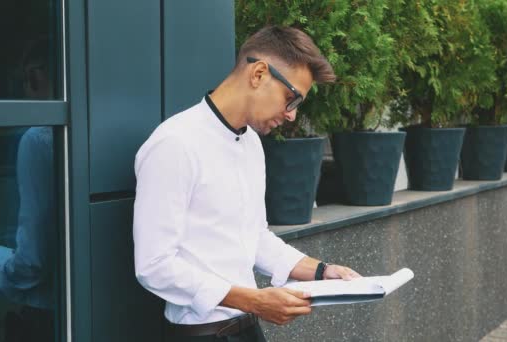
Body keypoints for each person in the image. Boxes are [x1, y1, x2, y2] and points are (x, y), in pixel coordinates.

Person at [133, 26, 361, 342]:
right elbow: (154, 266)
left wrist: (322, 271)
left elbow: (254, 237)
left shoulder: (251, 144)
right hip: (201, 334)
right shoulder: (174, 144)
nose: (292, 115)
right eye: (291, 99)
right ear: (258, 74)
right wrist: (254, 300)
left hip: (248, 328)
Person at [0, 37, 57, 342]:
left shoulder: (39, 138)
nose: (25, 89)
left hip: (46, 313)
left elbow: (34, 258)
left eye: (29, 78)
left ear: (41, 76)